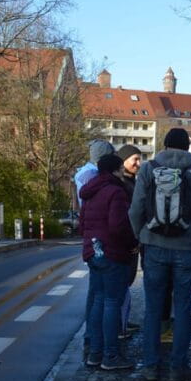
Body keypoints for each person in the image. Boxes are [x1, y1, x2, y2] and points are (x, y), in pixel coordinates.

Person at [129, 128, 191, 381]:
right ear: (188, 146)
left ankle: (150, 366)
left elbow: (136, 209)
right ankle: (179, 367)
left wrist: (141, 235)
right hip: (187, 247)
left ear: (164, 144)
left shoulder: (148, 168)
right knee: (183, 308)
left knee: (153, 308)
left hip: (153, 245)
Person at [79, 154, 139, 370]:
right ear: (115, 170)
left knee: (97, 302)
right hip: (113, 253)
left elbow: (82, 224)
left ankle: (95, 353)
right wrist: (133, 243)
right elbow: (118, 225)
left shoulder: (89, 190)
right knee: (113, 303)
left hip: (93, 252)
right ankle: (111, 355)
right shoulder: (116, 191)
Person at [72, 139, 114, 359]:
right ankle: (101, 346)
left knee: (95, 294)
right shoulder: (98, 180)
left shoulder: (82, 175)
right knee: (104, 297)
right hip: (103, 244)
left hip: (91, 241)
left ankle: (92, 341)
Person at [116, 144, 142, 339]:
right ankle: (118, 325)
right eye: (135, 159)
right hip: (126, 242)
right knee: (122, 283)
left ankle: (122, 320)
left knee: (126, 283)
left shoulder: (132, 181)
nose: (138, 163)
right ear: (123, 160)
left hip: (133, 240)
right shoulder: (122, 184)